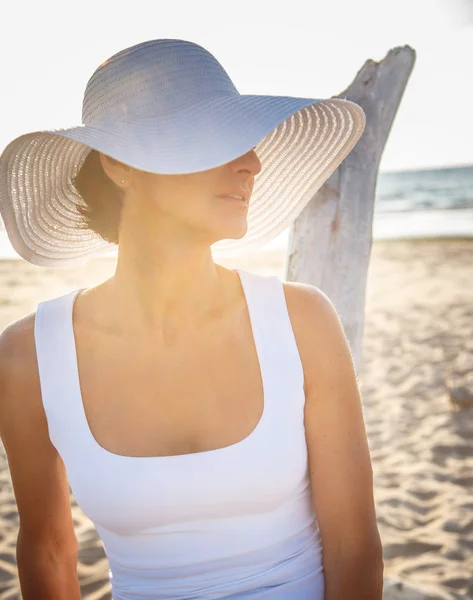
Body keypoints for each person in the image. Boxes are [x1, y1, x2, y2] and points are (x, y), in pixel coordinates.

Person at [0, 39, 383, 599]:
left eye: (246, 141)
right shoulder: (27, 358)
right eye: (216, 137)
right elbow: (48, 549)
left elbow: (354, 547)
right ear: (120, 165)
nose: (251, 162)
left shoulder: (303, 323)